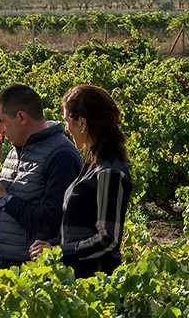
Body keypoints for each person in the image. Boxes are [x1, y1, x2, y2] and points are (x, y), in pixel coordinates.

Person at [28, 85, 133, 277]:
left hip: (95, 284)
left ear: (82, 123)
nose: (66, 128)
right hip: (80, 279)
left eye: (68, 120)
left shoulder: (109, 171)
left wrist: (59, 252)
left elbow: (108, 239)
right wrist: (55, 248)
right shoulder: (94, 163)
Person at [0, 84, 82, 270]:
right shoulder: (15, 151)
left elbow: (53, 220)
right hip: (3, 266)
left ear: (21, 117)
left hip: (31, 273)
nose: (0, 130)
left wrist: (4, 200)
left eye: (2, 121)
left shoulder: (62, 155)